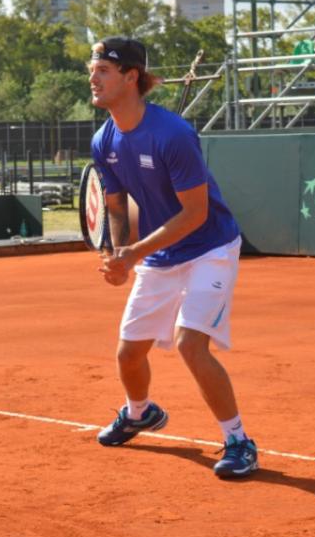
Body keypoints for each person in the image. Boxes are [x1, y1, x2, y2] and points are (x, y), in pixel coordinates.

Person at [88, 36, 258, 479]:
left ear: (131, 77)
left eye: (103, 70)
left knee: (190, 344)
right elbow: (116, 203)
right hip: (160, 255)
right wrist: (116, 253)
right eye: (93, 69)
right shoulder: (103, 141)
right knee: (129, 354)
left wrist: (133, 253)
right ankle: (140, 412)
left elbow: (196, 214)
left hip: (210, 247)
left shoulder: (174, 134)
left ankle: (238, 439)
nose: (93, 77)